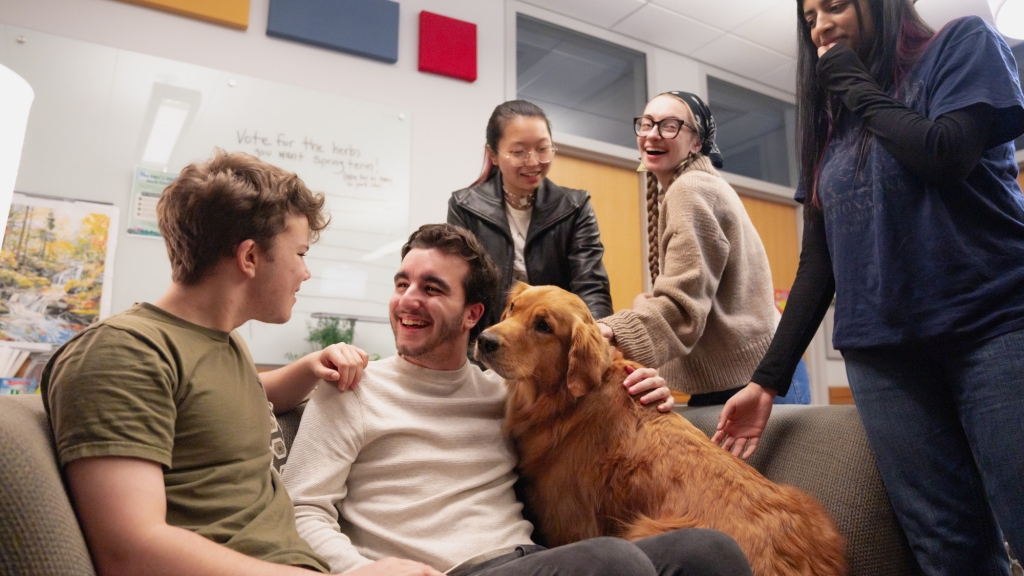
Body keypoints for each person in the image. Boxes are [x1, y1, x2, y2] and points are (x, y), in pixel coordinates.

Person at [713, 1, 1024, 574]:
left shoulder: (960, 45)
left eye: (835, 5)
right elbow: (819, 262)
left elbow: (946, 152)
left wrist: (855, 86)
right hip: (885, 359)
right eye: (809, 18)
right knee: (947, 548)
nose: (821, 26)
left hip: (995, 326)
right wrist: (767, 381)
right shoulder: (831, 126)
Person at [40, 150, 437, 576]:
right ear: (249, 257)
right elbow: (131, 550)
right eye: (300, 254)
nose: (305, 273)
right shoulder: (123, 355)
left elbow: (221, 406)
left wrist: (308, 367)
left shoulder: (219, 342)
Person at [282, 223, 754, 576]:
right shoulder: (350, 387)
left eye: (431, 289)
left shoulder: (507, 394)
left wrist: (642, 388)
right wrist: (358, 570)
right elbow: (301, 507)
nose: (408, 300)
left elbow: (582, 392)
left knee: (709, 550)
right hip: (450, 571)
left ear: (473, 314)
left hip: (531, 562)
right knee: (611, 562)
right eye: (402, 283)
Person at [596, 92, 776, 405]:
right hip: (749, 372)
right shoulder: (702, 185)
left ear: (696, 143)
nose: (653, 134)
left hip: (747, 382)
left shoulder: (690, 190)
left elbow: (683, 305)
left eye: (670, 126)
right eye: (648, 124)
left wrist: (611, 329)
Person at [448, 100, 612, 334]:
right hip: (485, 342)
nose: (533, 162)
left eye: (543, 149)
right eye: (518, 152)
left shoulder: (574, 208)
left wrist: (598, 333)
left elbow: (591, 286)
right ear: (493, 155)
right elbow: (459, 287)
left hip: (548, 347)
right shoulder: (465, 206)